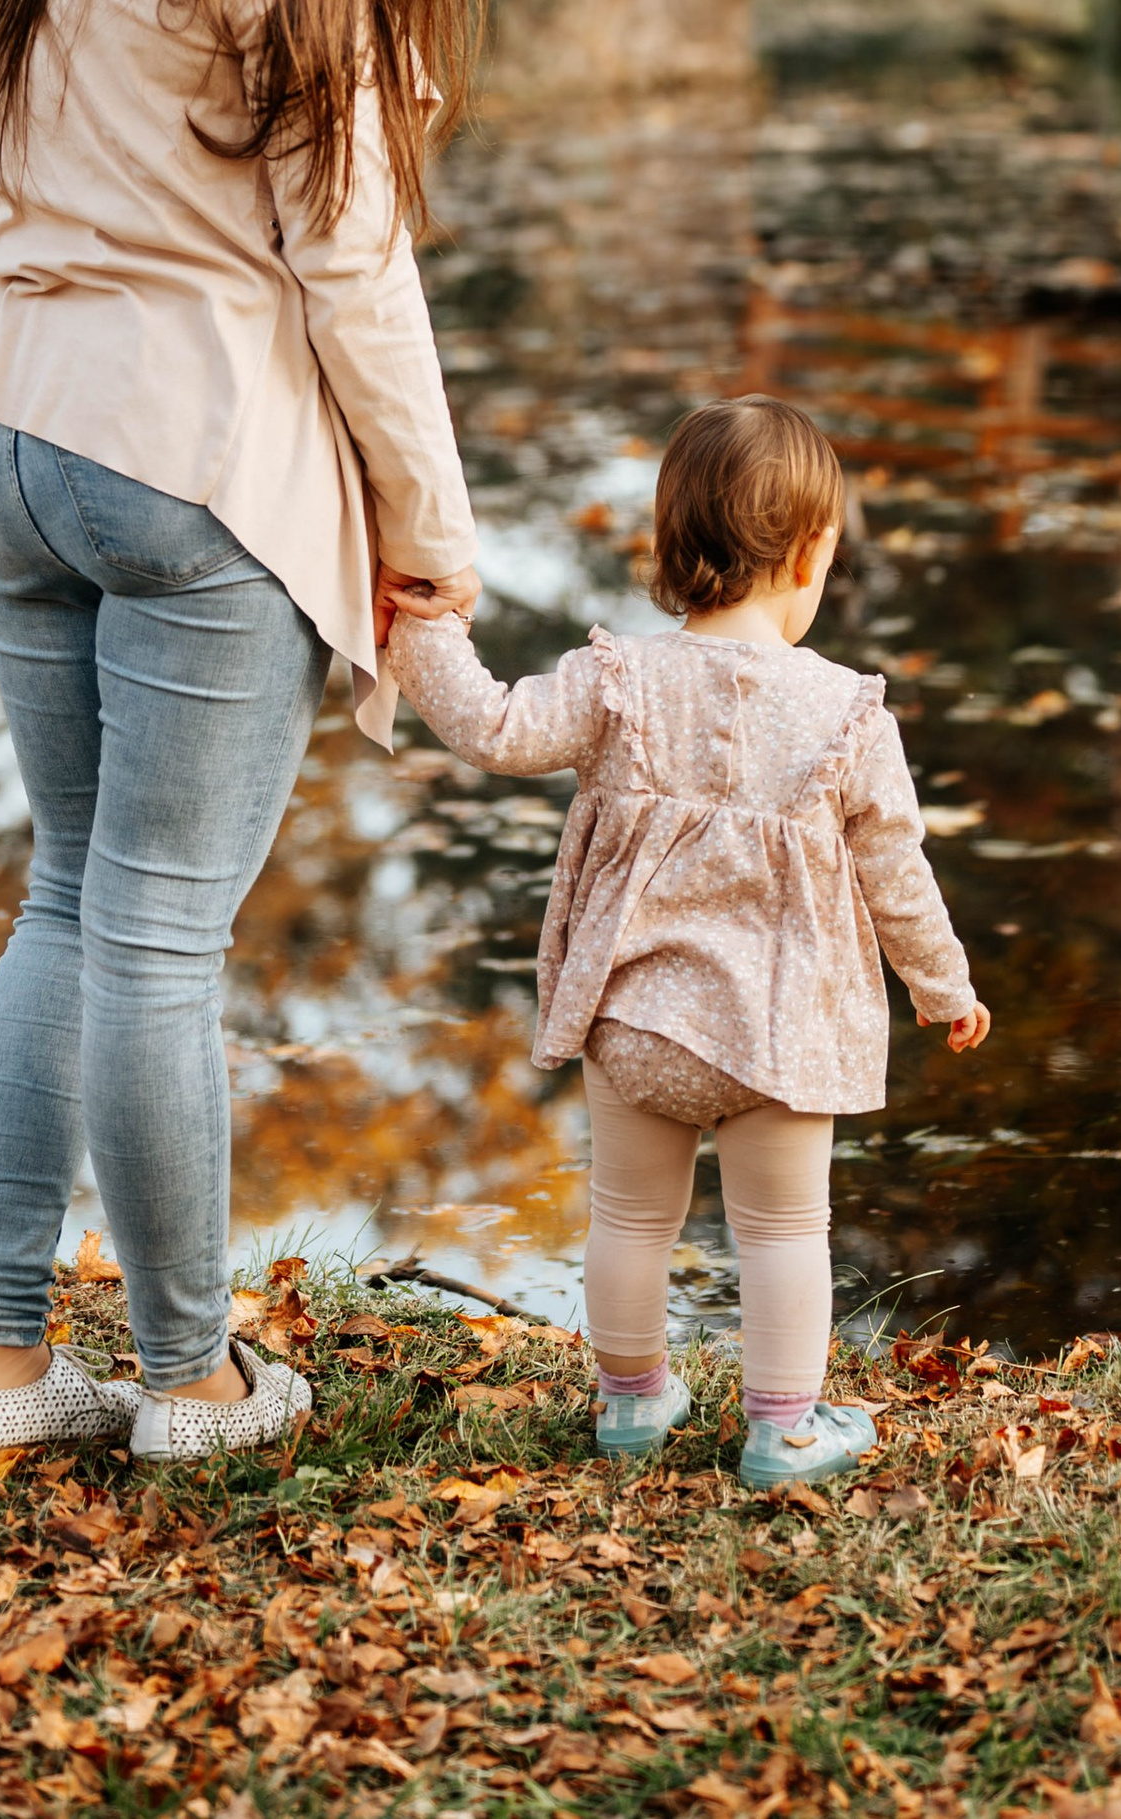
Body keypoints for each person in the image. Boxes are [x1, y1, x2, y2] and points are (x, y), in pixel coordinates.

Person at [0, 0, 485, 1471]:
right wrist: (430, 541)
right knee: (157, 928)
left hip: (8, 422)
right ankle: (188, 1378)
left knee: (63, 902)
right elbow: (351, 265)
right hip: (190, 466)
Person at [382, 393, 989, 1488]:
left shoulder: (617, 679)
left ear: (670, 544)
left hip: (637, 1016)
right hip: (782, 1036)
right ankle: (782, 1430)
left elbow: (492, 725)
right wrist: (942, 989)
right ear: (812, 555)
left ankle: (629, 1401)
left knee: (627, 1214)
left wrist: (425, 626)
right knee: (783, 1231)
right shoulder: (849, 715)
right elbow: (897, 872)